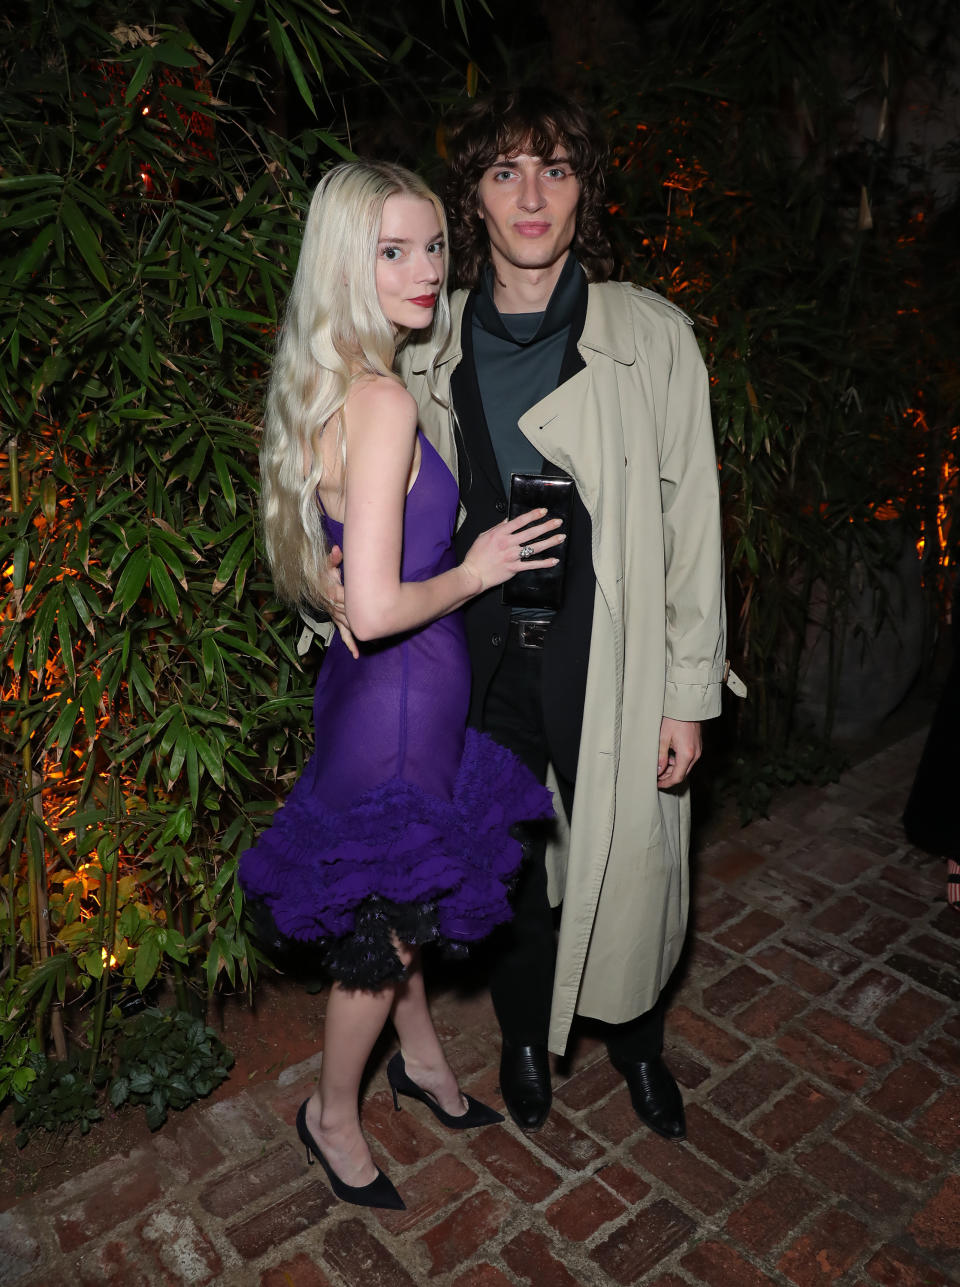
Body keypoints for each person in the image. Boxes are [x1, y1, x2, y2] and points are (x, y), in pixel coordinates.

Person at [396, 88, 729, 1136]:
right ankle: (525, 1040)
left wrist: (688, 693)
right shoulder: (425, 346)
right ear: (475, 203)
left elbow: (692, 526)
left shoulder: (653, 336)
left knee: (630, 859)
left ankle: (635, 1045)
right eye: (504, 173)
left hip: (612, 655)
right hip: (481, 658)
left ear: (585, 190)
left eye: (555, 169)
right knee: (507, 870)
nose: (531, 196)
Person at [239, 160, 561, 1211]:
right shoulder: (380, 399)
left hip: (368, 695)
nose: (427, 270)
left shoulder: (336, 384)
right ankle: (333, 1113)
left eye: (433, 247)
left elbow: (346, 577)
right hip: (402, 700)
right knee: (381, 931)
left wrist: (350, 577)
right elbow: (376, 606)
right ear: (347, 264)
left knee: (396, 901)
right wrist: (477, 568)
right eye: (394, 252)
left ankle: (419, 1064)